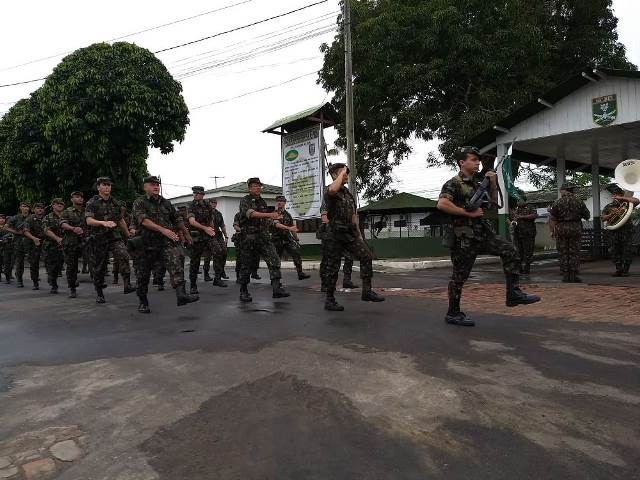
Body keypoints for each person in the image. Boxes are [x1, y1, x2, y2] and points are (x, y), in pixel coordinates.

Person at [437, 146, 540, 327]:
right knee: (459, 276)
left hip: (483, 234)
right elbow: (442, 204)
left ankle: (513, 293)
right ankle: (453, 312)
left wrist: (492, 184)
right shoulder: (453, 183)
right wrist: (467, 213)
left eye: (479, 160)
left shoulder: (477, 184)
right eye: (473, 160)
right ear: (462, 162)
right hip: (464, 238)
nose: (478, 163)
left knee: (510, 250)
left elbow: (492, 205)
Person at [131, 176, 199, 313]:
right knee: (142, 275)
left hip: (165, 243)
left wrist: (186, 233)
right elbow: (143, 221)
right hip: (146, 243)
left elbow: (177, 218)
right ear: (145, 187)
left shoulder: (165, 203)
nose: (156, 187)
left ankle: (181, 294)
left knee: (177, 259)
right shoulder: (140, 202)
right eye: (152, 184)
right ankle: (143, 301)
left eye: (157, 184)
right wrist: (164, 230)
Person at [322, 163, 384, 311]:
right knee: (333, 268)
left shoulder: (348, 193)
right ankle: (329, 299)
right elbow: (332, 190)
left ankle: (367, 291)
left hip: (350, 234)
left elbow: (353, 217)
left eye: (347, 173)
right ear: (334, 175)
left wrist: (359, 236)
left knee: (366, 255)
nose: (346, 175)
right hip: (334, 235)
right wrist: (340, 172)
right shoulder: (330, 190)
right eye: (343, 173)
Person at [237, 177, 289, 302]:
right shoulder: (245, 200)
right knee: (246, 265)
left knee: (274, 260)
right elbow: (251, 214)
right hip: (249, 237)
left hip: (263, 237)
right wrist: (269, 214)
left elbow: (266, 219)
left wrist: (275, 219)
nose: (258, 188)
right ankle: (243, 291)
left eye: (259, 186)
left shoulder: (262, 202)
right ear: (249, 188)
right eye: (255, 186)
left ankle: (276, 289)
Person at [85, 177, 135, 303]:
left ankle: (127, 284)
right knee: (100, 267)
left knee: (123, 254)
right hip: (98, 238)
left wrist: (128, 234)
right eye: (104, 185)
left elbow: (120, 220)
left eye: (109, 185)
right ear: (98, 187)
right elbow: (89, 220)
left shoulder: (115, 202)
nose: (107, 187)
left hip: (114, 236)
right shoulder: (92, 202)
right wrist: (103, 223)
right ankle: (99, 293)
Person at [187, 186, 226, 294]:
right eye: (194, 193)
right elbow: (192, 222)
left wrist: (212, 230)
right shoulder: (191, 205)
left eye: (198, 193)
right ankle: (193, 285)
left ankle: (217, 278)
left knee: (219, 252)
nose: (195, 195)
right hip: (197, 236)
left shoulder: (207, 205)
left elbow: (210, 219)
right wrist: (205, 228)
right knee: (195, 260)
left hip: (208, 235)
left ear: (202, 195)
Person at [549, 182, 591, 283]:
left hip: (561, 228)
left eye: (561, 190)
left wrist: (552, 231)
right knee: (574, 252)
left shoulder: (557, 202)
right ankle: (573, 275)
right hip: (575, 228)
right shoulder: (579, 202)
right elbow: (587, 216)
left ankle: (565, 275)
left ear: (564, 190)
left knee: (563, 252)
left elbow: (552, 218)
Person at [318, 201, 357, 291]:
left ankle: (347, 281)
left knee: (349, 257)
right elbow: (324, 218)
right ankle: (325, 284)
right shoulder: (327, 202)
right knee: (327, 261)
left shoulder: (345, 202)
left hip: (343, 236)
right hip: (329, 236)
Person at [602, 184, 639, 277]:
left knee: (627, 251)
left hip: (626, 231)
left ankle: (625, 270)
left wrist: (622, 198)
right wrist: (611, 215)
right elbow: (603, 218)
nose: (615, 196)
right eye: (614, 195)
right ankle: (619, 269)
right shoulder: (608, 206)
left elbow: (637, 201)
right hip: (614, 232)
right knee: (614, 251)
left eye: (617, 194)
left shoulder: (627, 204)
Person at [271, 195, 310, 280]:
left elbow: (293, 228)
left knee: (296, 253)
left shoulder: (288, 214)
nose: (279, 202)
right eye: (278, 201)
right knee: (276, 260)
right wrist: (288, 228)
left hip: (287, 239)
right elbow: (277, 225)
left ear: (285, 203)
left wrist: (296, 239)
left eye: (281, 201)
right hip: (277, 240)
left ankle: (300, 273)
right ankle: (275, 279)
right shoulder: (274, 213)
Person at [60, 191, 85, 298]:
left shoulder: (87, 210)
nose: (80, 198)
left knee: (95, 261)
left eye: (81, 197)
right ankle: (72, 288)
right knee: (71, 266)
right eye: (77, 197)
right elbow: (62, 224)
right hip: (71, 242)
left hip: (86, 240)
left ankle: (99, 284)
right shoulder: (67, 211)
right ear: (72, 199)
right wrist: (73, 228)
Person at [43, 198, 66, 294]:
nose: (60, 205)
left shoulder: (67, 215)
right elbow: (46, 230)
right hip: (51, 245)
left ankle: (72, 281)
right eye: (57, 203)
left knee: (62, 264)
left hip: (66, 244)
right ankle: (53, 284)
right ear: (53, 205)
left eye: (61, 203)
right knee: (53, 266)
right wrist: (57, 238)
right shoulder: (48, 217)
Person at [5, 203, 31, 288]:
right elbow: (6, 227)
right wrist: (16, 232)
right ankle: (19, 279)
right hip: (18, 242)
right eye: (24, 206)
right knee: (19, 262)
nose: (26, 208)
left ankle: (35, 277)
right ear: (20, 208)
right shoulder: (15, 218)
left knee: (33, 260)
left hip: (30, 241)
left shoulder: (31, 217)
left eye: (27, 207)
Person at [511, 196, 538, 274]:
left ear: (524, 201)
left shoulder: (530, 207)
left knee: (528, 252)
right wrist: (512, 222)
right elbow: (513, 218)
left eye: (520, 201)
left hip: (528, 233)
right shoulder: (516, 209)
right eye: (517, 201)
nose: (518, 202)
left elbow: (534, 215)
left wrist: (522, 217)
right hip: (518, 233)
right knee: (519, 252)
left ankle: (527, 268)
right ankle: (519, 268)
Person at [23, 202, 46, 290]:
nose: (40, 209)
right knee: (34, 263)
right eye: (37, 208)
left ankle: (52, 280)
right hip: (33, 243)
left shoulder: (46, 218)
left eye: (41, 208)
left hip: (46, 242)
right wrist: (34, 238)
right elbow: (25, 231)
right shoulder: (30, 219)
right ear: (34, 209)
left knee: (50, 261)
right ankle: (35, 282)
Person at [210, 198, 230, 281]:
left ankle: (222, 271)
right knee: (217, 253)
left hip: (218, 235)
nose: (214, 204)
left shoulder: (218, 213)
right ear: (209, 203)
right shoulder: (206, 212)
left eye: (215, 203)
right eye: (212, 203)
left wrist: (226, 236)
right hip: (210, 235)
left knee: (224, 252)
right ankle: (217, 274)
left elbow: (222, 225)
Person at [0, 214, 14, 284]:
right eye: (0, 218)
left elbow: (11, 236)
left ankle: (8, 277)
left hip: (7, 247)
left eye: (3, 218)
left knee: (7, 262)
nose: (1, 220)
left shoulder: (7, 228)